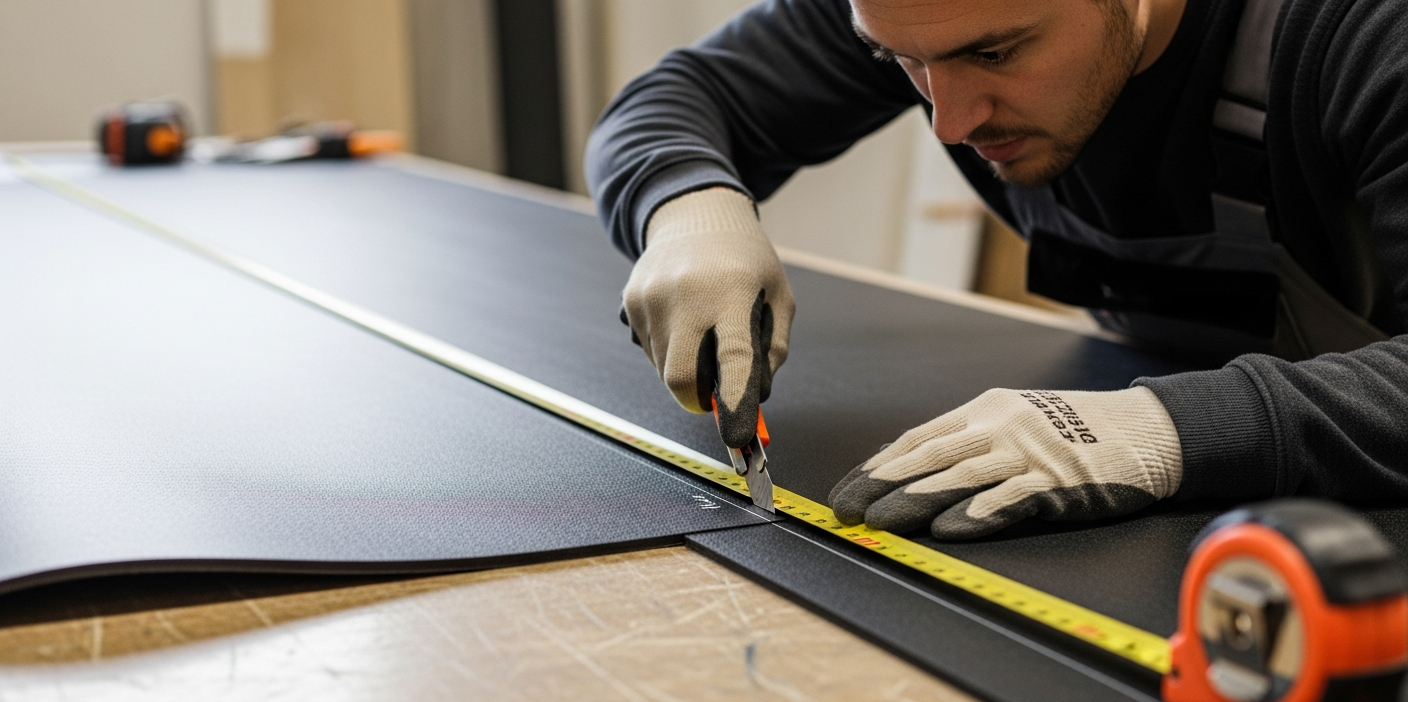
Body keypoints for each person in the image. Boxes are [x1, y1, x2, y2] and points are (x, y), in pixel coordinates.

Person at [585, 0, 1408, 540]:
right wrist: (688, 207)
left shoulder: (1365, 32)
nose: (950, 120)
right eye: (898, 62)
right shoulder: (928, 14)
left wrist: (1170, 429)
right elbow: (680, 97)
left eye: (998, 52)